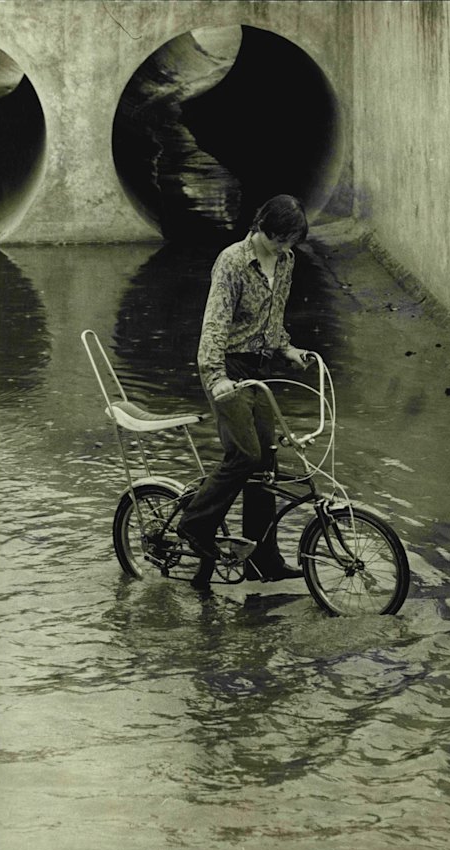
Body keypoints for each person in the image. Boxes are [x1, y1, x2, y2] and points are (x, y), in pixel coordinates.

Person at [177, 194, 311, 589]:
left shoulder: (286, 261)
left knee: (265, 464)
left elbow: (274, 317)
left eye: (292, 240)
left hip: (258, 369)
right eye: (280, 239)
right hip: (226, 367)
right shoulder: (233, 261)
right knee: (246, 454)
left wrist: (287, 349)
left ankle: (262, 558)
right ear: (263, 229)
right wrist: (215, 377)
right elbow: (215, 324)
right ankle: (195, 525)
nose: (286, 247)